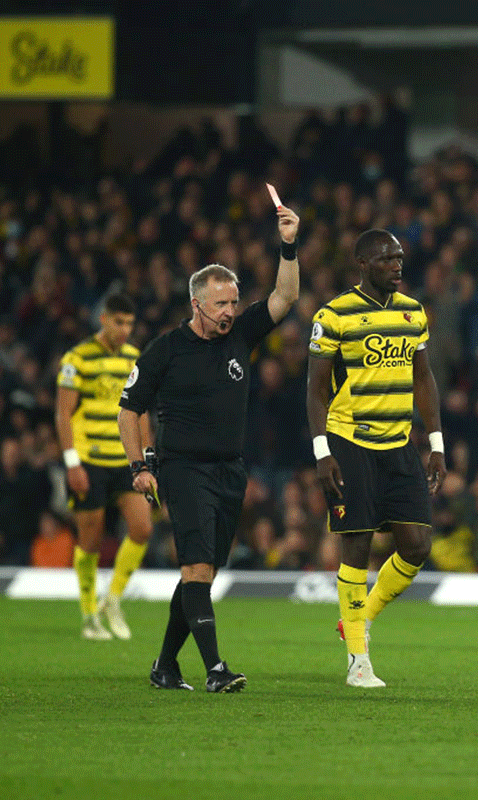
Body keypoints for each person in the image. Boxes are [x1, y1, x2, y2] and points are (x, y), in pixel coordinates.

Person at [118, 203, 301, 693]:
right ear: (197, 304)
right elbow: (128, 410)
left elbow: (286, 295)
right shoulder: (165, 350)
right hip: (183, 469)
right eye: (220, 304)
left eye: (234, 302)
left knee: (202, 573)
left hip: (229, 470)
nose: (230, 312)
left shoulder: (241, 334)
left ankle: (164, 667)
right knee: (196, 567)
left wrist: (288, 243)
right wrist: (140, 466)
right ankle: (216, 670)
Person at [307, 229, 445, 688]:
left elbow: (423, 378)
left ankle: (359, 617)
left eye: (400, 257)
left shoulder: (413, 312)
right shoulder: (334, 315)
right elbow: (315, 389)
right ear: (363, 264)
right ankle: (358, 661)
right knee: (357, 546)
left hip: (399, 442)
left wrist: (437, 442)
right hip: (350, 440)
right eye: (387, 258)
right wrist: (322, 450)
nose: (397, 265)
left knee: (417, 545)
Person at [55, 293, 153, 640]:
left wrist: (147, 459)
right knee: (91, 540)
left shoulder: (133, 357)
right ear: (104, 319)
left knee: (142, 529)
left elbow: (140, 411)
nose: (125, 330)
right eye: (119, 322)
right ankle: (88, 614)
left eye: (129, 323)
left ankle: (112, 600)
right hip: (89, 461)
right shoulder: (77, 358)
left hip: (126, 461)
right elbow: (62, 413)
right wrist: (72, 464)